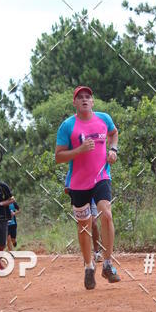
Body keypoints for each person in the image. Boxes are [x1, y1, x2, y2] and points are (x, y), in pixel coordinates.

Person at [55, 85, 119, 290]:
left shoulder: (104, 119)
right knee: (84, 226)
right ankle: (88, 266)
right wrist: (80, 150)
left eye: (88, 97)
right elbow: (58, 157)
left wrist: (113, 150)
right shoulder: (67, 126)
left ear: (92, 102)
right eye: (80, 97)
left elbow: (114, 133)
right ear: (74, 103)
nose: (84, 100)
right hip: (78, 183)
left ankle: (107, 263)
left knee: (106, 215)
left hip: (101, 176)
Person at [90, 198, 103, 263]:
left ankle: (96, 252)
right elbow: (67, 190)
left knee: (94, 223)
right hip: (80, 200)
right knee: (83, 227)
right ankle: (86, 254)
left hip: (92, 201)